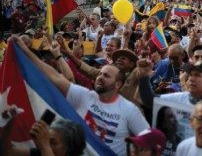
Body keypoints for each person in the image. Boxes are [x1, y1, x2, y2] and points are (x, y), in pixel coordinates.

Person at [13, 36, 149, 156]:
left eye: (106, 76)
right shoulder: (84, 96)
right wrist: (25, 51)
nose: (100, 77)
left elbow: (150, 141)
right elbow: (54, 76)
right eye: (100, 74)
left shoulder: (130, 109)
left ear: (118, 84)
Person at [138, 61, 202, 142]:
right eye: (190, 74)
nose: (191, 78)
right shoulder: (180, 97)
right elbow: (149, 101)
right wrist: (143, 76)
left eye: (197, 75)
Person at [1, 109, 87, 156]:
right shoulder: (42, 152)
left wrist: (45, 145)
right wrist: (10, 121)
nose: (44, 141)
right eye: (47, 138)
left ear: (69, 150)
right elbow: (8, 152)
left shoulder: (45, 148)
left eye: (53, 142)